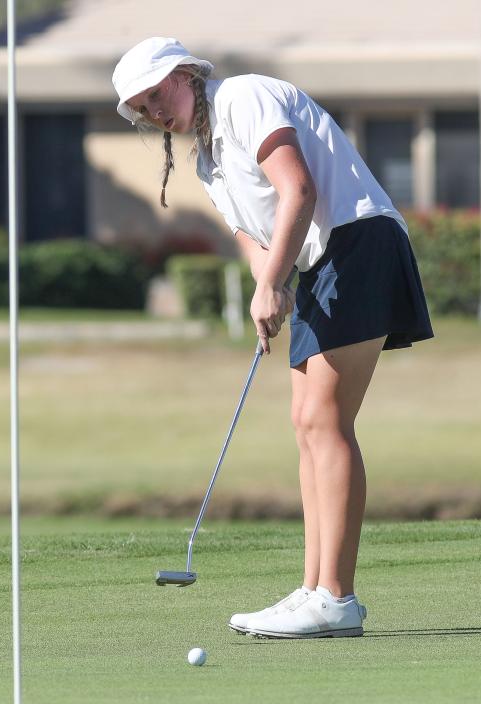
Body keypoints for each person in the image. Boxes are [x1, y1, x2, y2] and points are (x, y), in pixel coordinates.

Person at [112, 38, 433, 638]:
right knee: (305, 422)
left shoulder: (242, 96)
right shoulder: (207, 160)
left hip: (359, 242)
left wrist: (273, 283)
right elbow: (253, 238)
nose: (156, 109)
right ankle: (315, 587)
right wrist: (271, 286)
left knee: (326, 421)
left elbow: (299, 189)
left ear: (186, 75)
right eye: (142, 106)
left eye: (159, 92)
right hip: (319, 263)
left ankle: (336, 597)